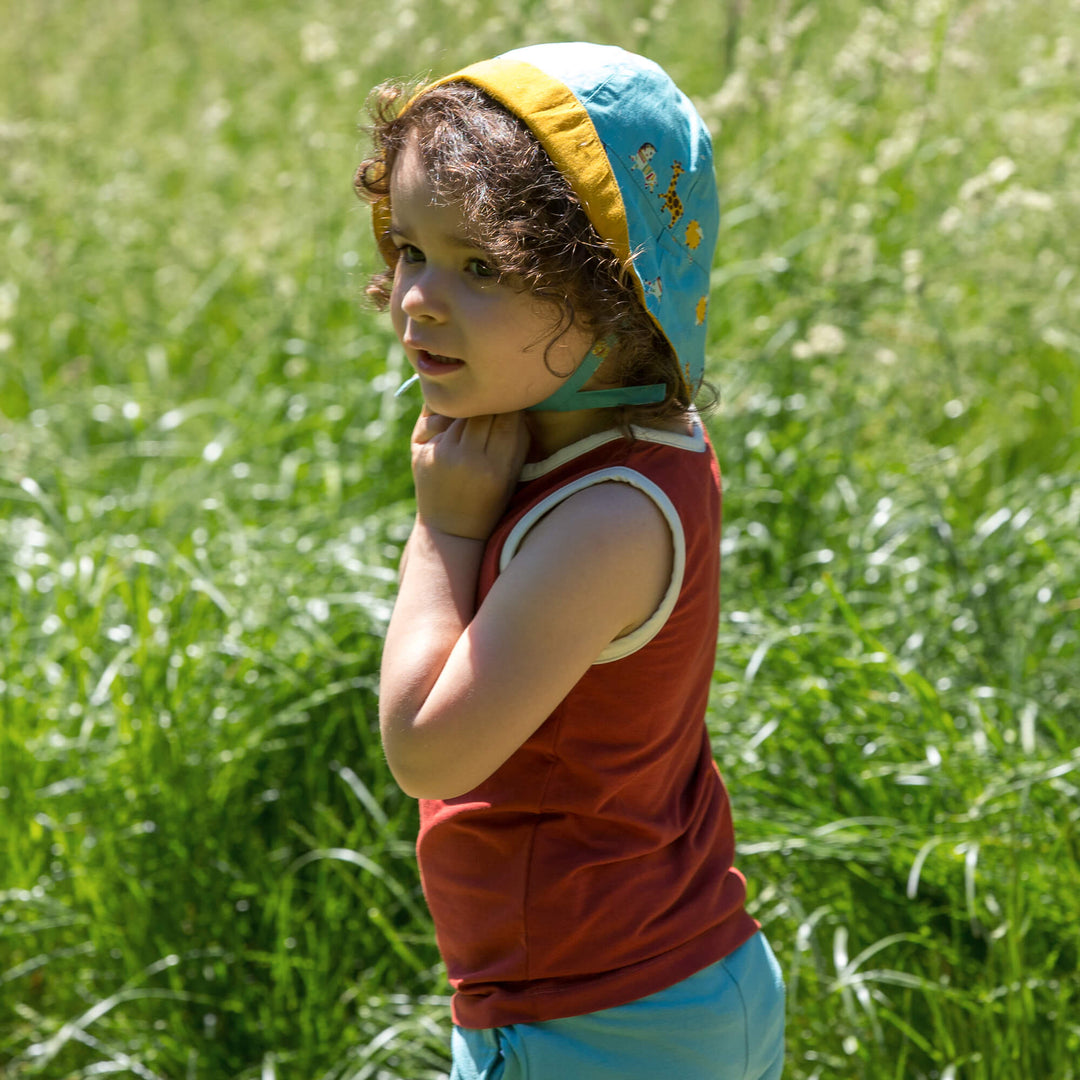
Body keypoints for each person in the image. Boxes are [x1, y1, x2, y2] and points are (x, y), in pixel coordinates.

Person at [354, 42, 785, 1080]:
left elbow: (428, 750)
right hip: (631, 994)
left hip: (603, 1022)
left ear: (613, 293)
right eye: (411, 249)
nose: (418, 297)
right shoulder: (614, 444)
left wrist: (446, 531)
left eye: (482, 268)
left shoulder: (604, 520)